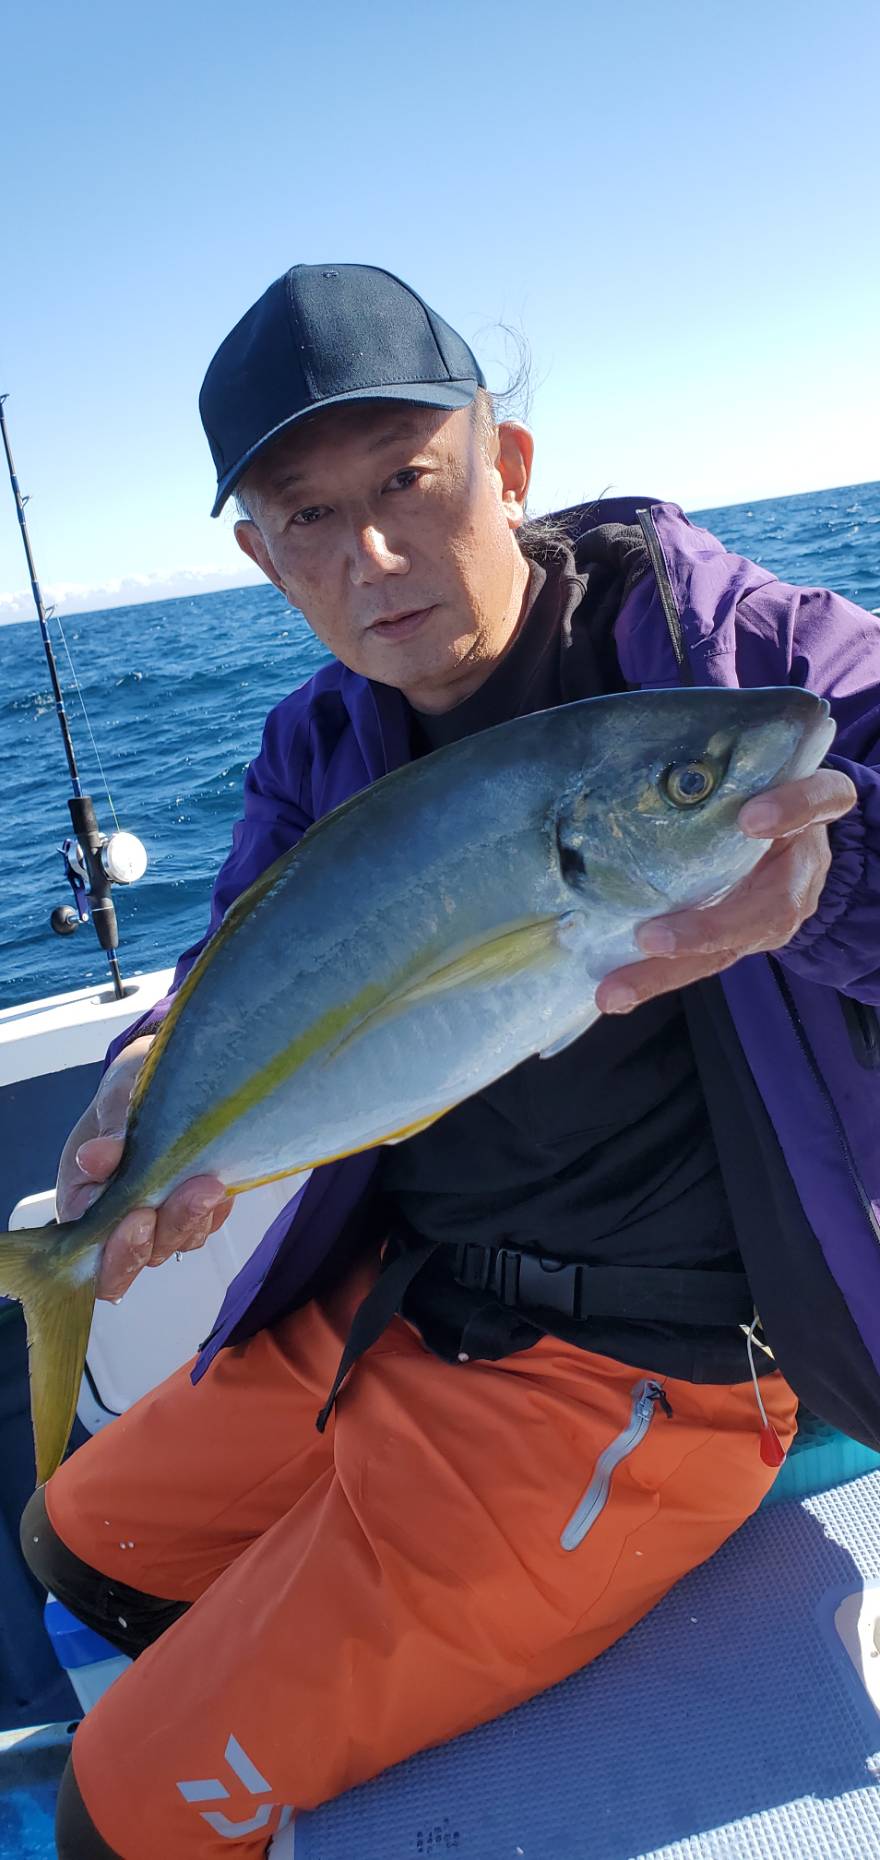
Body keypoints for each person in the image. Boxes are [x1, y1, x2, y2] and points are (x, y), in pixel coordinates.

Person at [21, 264, 880, 1860]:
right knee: (77, 1540)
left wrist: (833, 883)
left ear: (509, 463)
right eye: (309, 515)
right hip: (402, 1294)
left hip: (648, 1367)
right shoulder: (318, 743)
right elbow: (238, 973)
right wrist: (150, 1073)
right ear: (259, 556)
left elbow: (851, 754)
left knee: (116, 1813)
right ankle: (303, 1684)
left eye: (408, 479)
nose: (371, 553)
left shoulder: (724, 646)